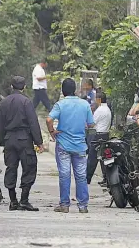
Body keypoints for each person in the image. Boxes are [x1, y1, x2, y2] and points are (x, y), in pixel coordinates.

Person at [46, 78, 94, 213]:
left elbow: (49, 119)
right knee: (81, 176)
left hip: (63, 145)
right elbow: (91, 123)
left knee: (64, 174)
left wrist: (52, 132)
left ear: (62, 90)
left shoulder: (60, 104)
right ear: (75, 90)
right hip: (80, 145)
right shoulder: (84, 104)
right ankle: (83, 206)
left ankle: (65, 205)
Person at [0, 76, 44, 211]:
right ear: (24, 87)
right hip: (24, 139)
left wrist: (2, 141)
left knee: (11, 168)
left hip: (9, 139)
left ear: (11, 87)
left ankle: (13, 200)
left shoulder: (4, 102)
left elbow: (0, 124)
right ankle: (24, 199)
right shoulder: (26, 102)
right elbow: (33, 123)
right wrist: (39, 142)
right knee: (29, 168)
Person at [86, 91, 112, 186]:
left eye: (96, 99)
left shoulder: (100, 110)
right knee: (103, 158)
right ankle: (106, 178)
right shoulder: (107, 109)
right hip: (105, 134)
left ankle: (87, 178)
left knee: (92, 158)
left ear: (99, 99)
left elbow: (92, 124)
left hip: (98, 135)